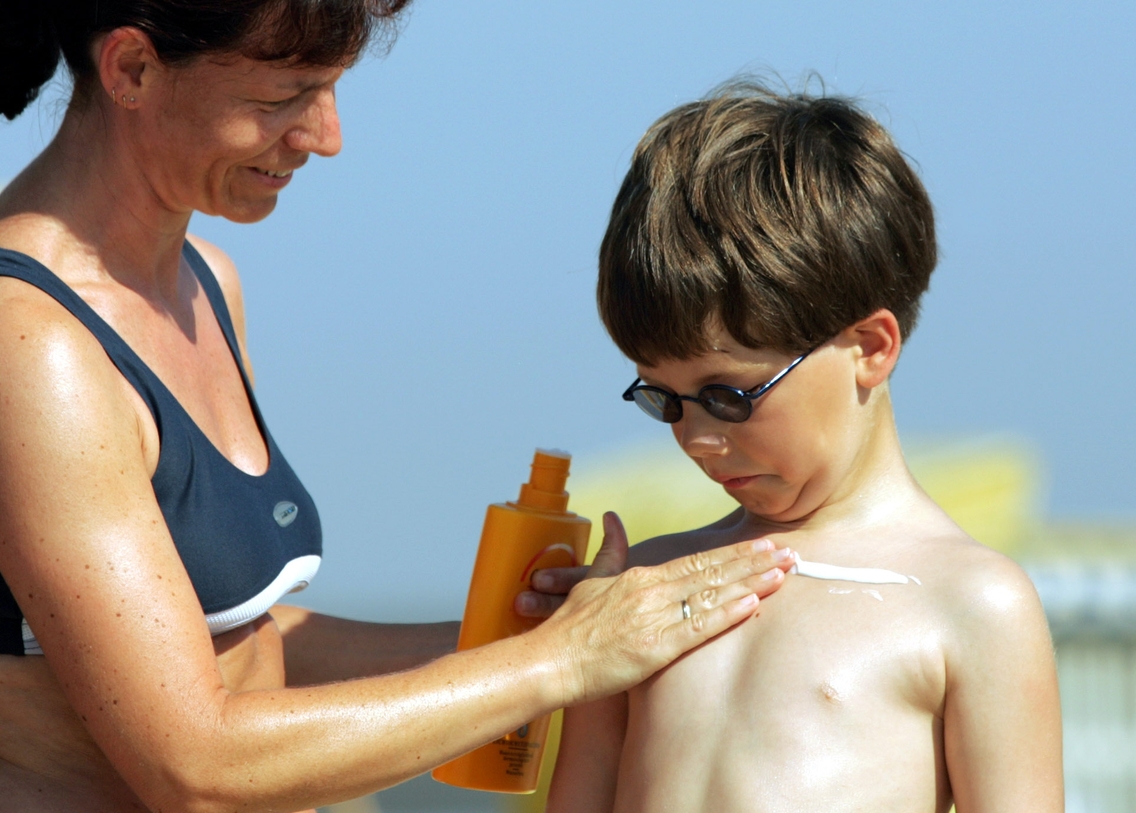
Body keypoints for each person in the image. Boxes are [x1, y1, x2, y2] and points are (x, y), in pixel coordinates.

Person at [0, 4, 796, 811]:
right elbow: (198, 765)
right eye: (283, 98)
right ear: (132, 69)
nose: (326, 135)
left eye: (334, 90)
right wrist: (562, 661)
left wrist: (543, 633)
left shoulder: (206, 284)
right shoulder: (31, 343)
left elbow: (240, 649)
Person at [547, 82, 1064, 812]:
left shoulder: (971, 603)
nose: (696, 436)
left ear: (870, 347)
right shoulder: (647, 586)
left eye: (731, 395)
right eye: (661, 397)